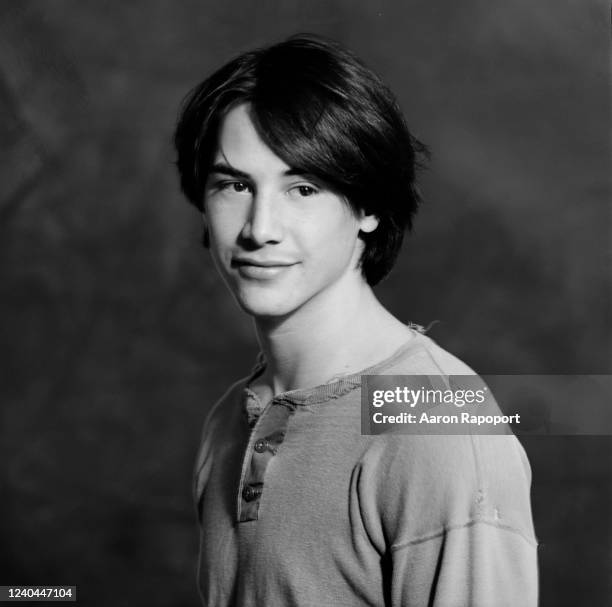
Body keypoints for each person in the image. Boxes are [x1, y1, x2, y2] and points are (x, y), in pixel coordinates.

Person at [174, 34, 538, 607]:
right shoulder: (228, 421)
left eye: (304, 187)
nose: (259, 227)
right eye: (236, 185)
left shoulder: (438, 429)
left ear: (368, 207)